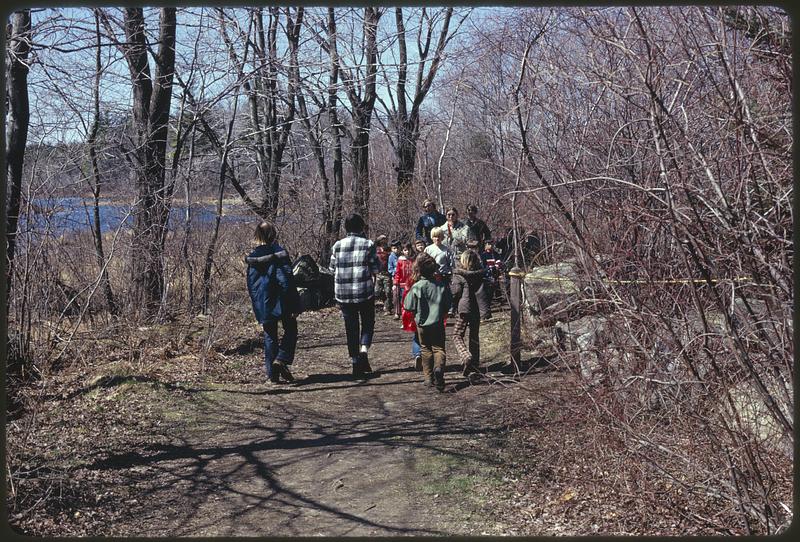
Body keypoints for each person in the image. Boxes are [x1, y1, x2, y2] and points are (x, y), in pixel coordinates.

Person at [245, 221, 301, 384]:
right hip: (281, 300)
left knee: (270, 336)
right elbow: (285, 280)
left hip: (263, 302)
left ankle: (273, 375)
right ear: (273, 234)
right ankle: (281, 359)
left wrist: (256, 304)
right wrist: (294, 303)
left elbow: (251, 285)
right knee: (291, 329)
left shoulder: (253, 257)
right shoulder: (279, 253)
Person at [329, 213, 381, 379]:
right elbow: (376, 268)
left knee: (350, 327)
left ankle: (354, 360)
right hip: (364, 291)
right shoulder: (368, 244)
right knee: (367, 321)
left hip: (343, 293)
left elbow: (331, 268)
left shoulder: (337, 245)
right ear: (361, 227)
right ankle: (364, 349)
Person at [403, 253, 452, 392]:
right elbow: (448, 304)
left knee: (425, 348)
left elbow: (408, 305)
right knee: (439, 348)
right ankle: (439, 369)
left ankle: (428, 378)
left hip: (422, 324)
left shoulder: (417, 286)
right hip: (437, 323)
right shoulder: (441, 286)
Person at [451, 250, 491, 379]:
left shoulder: (458, 275)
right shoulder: (480, 274)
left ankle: (465, 356)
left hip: (463, 309)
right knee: (474, 336)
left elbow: (456, 292)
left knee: (457, 335)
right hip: (476, 309)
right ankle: (474, 366)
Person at [393, 242, 414, 322]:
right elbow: (397, 272)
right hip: (402, 284)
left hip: (412, 284)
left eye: (408, 250)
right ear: (402, 251)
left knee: (410, 301)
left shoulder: (413, 259)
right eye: (405, 250)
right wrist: (395, 283)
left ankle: (410, 317)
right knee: (403, 301)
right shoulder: (400, 260)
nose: (407, 252)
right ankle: (404, 317)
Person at [374, 234, 393, 315]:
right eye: (382, 240)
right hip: (378, 273)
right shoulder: (376, 250)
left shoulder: (389, 250)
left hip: (387, 274)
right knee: (377, 291)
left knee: (388, 291)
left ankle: (387, 308)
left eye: (385, 240)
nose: (383, 241)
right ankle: (374, 307)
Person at [387, 240, 401, 319]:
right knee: (396, 294)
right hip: (395, 277)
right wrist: (395, 272)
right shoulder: (391, 256)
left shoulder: (403, 255)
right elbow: (390, 268)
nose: (396, 250)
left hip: (403, 278)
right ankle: (397, 312)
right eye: (394, 248)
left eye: (397, 248)